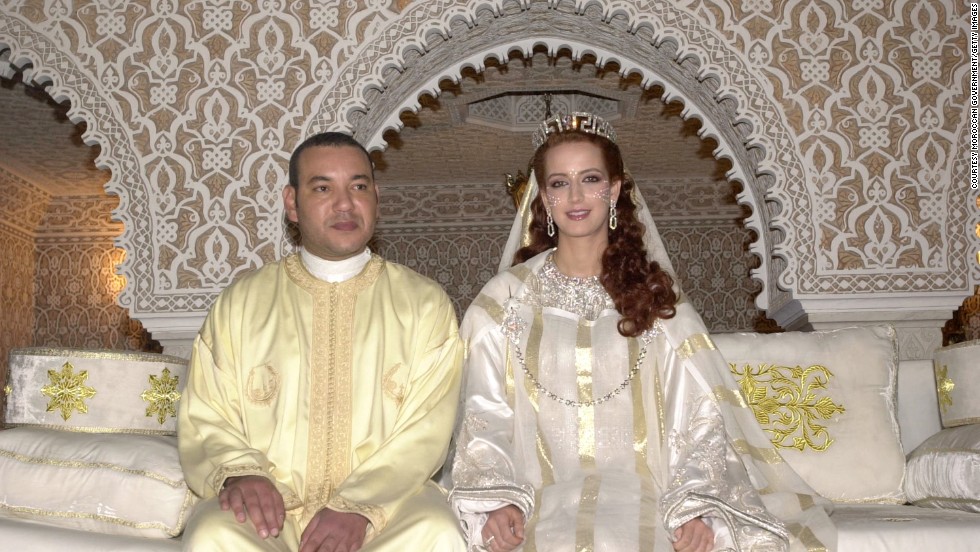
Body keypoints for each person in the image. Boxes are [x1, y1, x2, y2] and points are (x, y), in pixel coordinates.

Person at [449, 113, 837, 551]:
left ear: (613, 190)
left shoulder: (656, 300)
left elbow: (698, 416)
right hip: (536, 499)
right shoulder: (504, 301)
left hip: (645, 496)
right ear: (544, 197)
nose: (576, 195)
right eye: (559, 183)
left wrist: (696, 506)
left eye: (590, 178)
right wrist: (499, 500)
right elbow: (484, 413)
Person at [178, 132, 466, 551]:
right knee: (212, 534)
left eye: (359, 186)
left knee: (437, 533)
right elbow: (206, 413)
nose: (345, 203)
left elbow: (427, 428)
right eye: (323, 188)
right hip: (273, 507)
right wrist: (242, 473)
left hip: (386, 508)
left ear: (376, 198)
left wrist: (358, 505)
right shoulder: (241, 303)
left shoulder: (423, 304)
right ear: (292, 204)